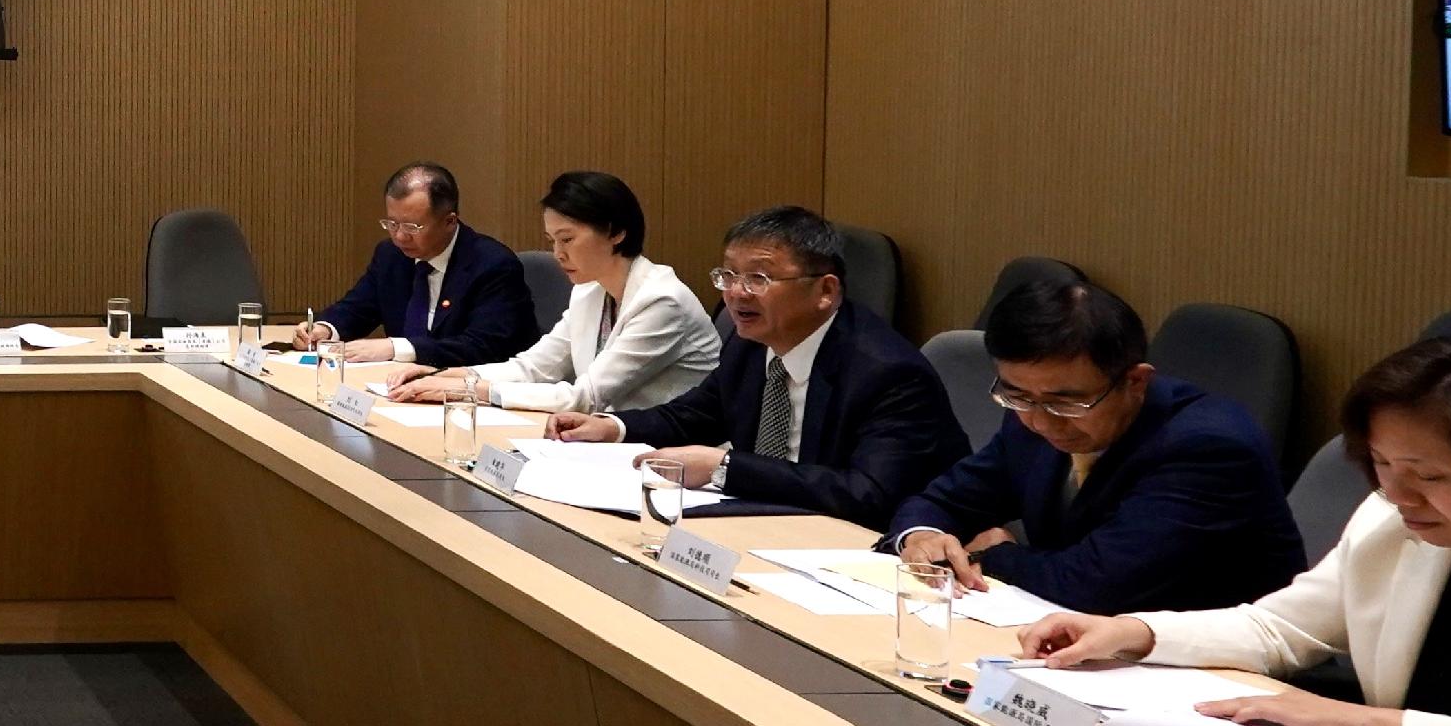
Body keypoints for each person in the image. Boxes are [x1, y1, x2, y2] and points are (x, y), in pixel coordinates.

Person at [1019, 338, 1451, 726]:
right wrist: (1135, 634)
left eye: (1429, 476)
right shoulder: (1391, 527)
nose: (1395, 492)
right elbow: (1278, 630)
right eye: (1382, 464)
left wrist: (1367, 723)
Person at [884, 278, 1299, 616]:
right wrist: (924, 536)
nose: (1041, 421)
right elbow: (944, 499)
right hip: (1077, 642)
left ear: (1135, 381)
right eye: (1017, 395)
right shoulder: (1031, 410)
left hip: (1213, 677)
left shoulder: (1209, 447)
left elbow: (1096, 586)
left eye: (1067, 402)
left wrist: (995, 556)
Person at [552, 205, 960, 523]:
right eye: (728, 275)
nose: (736, 294)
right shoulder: (750, 340)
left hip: (857, 546)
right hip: (770, 523)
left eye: (759, 279)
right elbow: (697, 413)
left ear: (825, 291)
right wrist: (612, 426)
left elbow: (867, 494)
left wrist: (724, 467)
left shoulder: (888, 373)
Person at [397, 170, 714, 418]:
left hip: (671, 458)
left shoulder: (661, 301)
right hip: (611, 443)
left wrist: (468, 389)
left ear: (616, 232)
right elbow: (534, 368)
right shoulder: (590, 291)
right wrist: (448, 374)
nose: (558, 254)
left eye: (567, 239)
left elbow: (586, 397)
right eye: (552, 241)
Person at [300, 163, 536, 368]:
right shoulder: (390, 255)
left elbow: (485, 345)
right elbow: (357, 308)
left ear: (449, 221)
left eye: (412, 227)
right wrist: (326, 329)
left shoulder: (492, 265)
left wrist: (395, 348)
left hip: (473, 396)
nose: (400, 237)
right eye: (392, 223)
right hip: (403, 387)